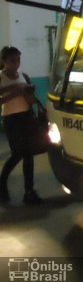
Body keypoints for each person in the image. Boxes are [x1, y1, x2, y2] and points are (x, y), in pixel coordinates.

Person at [0, 46, 42, 205]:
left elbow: (31, 102)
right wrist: (14, 91)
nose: (16, 63)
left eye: (18, 59)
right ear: (3, 61)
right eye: (12, 60)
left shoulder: (24, 76)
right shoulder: (1, 77)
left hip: (26, 117)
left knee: (28, 154)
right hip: (11, 119)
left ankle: (29, 191)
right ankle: (2, 183)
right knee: (17, 153)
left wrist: (28, 93)